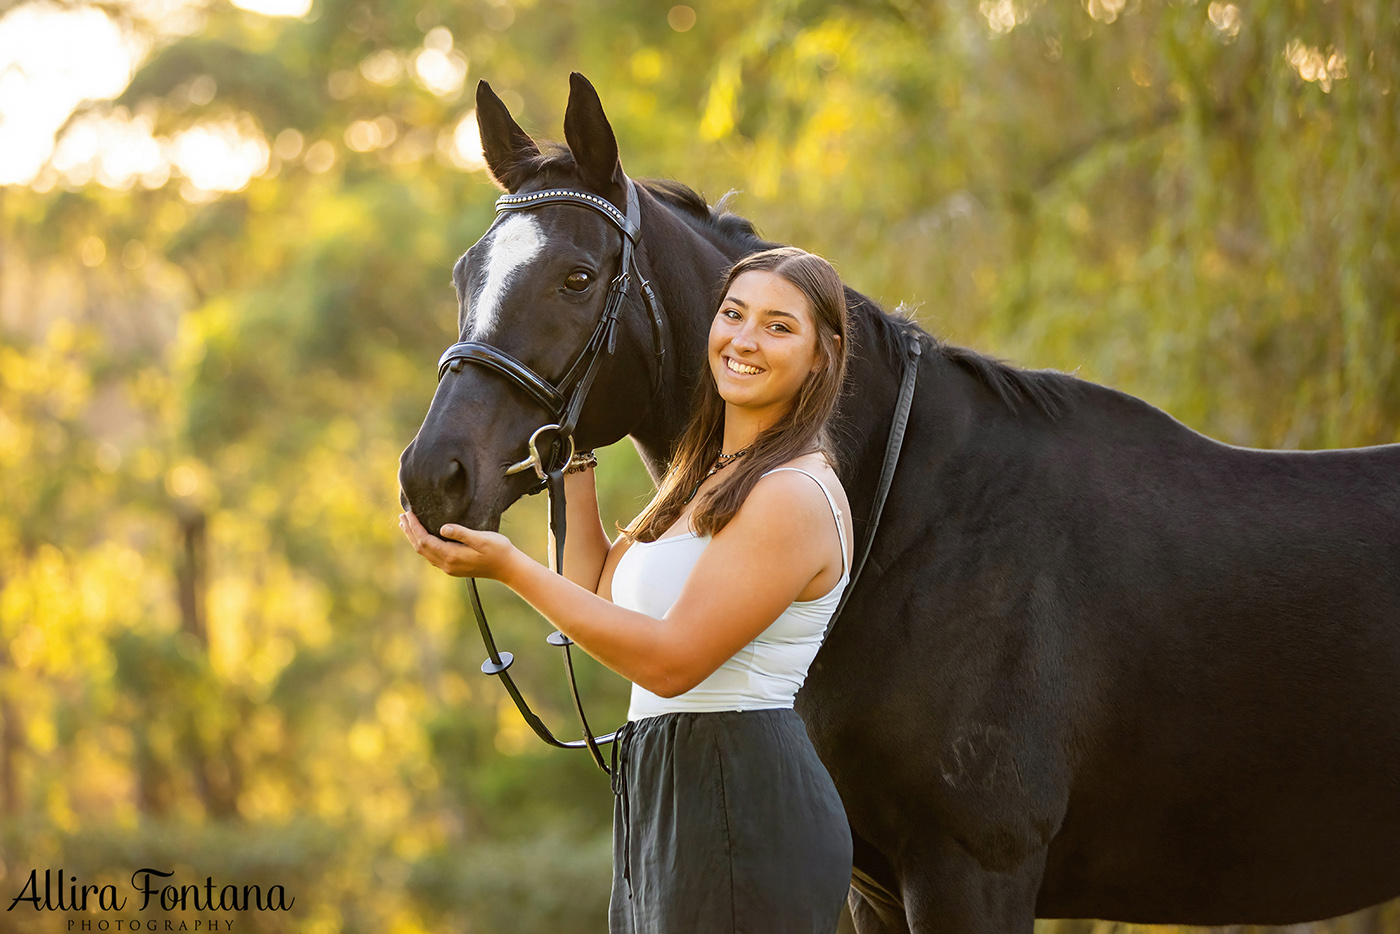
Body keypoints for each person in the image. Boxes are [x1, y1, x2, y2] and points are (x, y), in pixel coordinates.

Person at [399, 245, 856, 933]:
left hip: (739, 794)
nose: (744, 339)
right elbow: (594, 587)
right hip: (666, 789)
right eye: (733, 314)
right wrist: (573, 443)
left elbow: (672, 662)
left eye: (778, 326)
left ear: (822, 354)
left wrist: (510, 569)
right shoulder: (703, 477)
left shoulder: (791, 491)